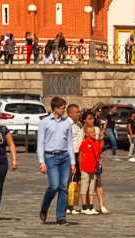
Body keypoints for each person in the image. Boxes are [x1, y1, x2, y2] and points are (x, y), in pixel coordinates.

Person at [37, 96, 76, 225]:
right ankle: (44, 207)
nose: (64, 110)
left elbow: (70, 143)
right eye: (62, 108)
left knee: (63, 187)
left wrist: (72, 162)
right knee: (54, 186)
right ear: (55, 109)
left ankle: (61, 216)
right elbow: (40, 143)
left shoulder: (66, 123)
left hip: (64, 156)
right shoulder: (45, 122)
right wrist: (41, 161)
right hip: (50, 156)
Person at [79, 124, 102, 215]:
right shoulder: (85, 143)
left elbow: (98, 154)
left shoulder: (96, 143)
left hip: (94, 168)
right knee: (84, 187)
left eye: (94, 131)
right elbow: (80, 155)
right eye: (92, 132)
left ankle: (91, 206)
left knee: (92, 187)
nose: (94, 133)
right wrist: (81, 167)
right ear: (87, 133)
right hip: (85, 167)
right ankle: (84, 206)